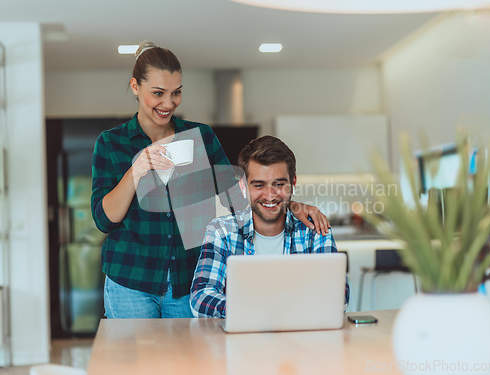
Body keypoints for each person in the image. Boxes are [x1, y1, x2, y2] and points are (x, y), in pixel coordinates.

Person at [91, 41, 331, 319]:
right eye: (158, 93)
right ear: (135, 86)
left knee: (188, 362)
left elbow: (237, 198)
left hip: (186, 280)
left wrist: (294, 207)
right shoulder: (111, 143)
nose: (168, 103)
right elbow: (104, 219)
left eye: (176, 93)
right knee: (137, 363)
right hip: (130, 282)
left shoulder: (201, 137)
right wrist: (138, 169)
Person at [190, 136, 349, 318]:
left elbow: (338, 296)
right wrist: (252, 311)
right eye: (259, 185)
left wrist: (268, 310)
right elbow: (200, 297)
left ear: (293, 183)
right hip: (240, 339)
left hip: (302, 341)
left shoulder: (314, 230)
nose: (270, 195)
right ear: (243, 185)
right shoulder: (221, 231)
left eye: (279, 184)